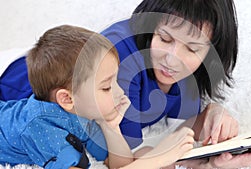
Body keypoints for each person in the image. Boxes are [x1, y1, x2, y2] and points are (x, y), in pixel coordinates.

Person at [100, 0, 251, 168]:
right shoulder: (119, 55)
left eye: (192, 49)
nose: (171, 60)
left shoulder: (187, 72)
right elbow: (124, 161)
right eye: (164, 39)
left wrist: (212, 115)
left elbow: (180, 131)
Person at [0, 25, 195, 169]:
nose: (121, 92)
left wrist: (112, 127)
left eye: (116, 82)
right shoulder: (42, 127)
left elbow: (118, 163)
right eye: (106, 87)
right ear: (67, 99)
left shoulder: (86, 112)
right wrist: (158, 159)